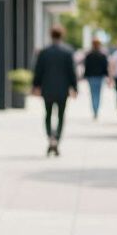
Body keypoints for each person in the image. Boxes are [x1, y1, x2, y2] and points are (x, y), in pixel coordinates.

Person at [32, 25, 78, 155]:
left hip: (47, 89)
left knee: (47, 114)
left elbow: (38, 71)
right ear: (62, 35)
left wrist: (36, 86)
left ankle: (50, 137)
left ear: (51, 35)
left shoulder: (44, 52)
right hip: (63, 90)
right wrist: (74, 88)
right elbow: (72, 72)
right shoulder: (67, 52)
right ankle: (56, 138)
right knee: (61, 116)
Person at [82, 37, 110, 119]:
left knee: (92, 94)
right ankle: (96, 110)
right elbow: (105, 67)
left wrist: (85, 76)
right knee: (98, 94)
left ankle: (94, 110)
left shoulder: (89, 55)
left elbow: (86, 66)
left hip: (91, 77)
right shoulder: (102, 55)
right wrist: (107, 76)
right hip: (99, 77)